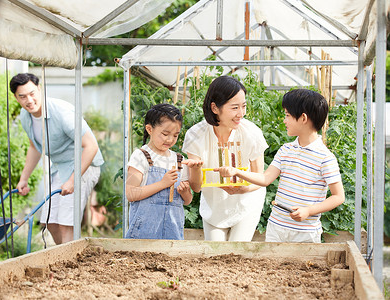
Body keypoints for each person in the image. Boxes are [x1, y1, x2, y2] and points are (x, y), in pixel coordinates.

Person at [215, 89, 345, 243]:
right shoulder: (286, 150)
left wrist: (309, 211)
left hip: (305, 233)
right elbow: (265, 178)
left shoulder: (325, 158)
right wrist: (236, 172)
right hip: (276, 228)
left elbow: (338, 196)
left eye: (287, 115)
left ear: (303, 118)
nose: (284, 120)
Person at [10, 73, 104, 245]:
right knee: (49, 221)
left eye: (32, 93)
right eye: (22, 96)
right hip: (60, 167)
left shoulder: (61, 112)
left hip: (84, 164)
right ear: (16, 98)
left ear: (39, 89)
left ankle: (70, 263)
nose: (29, 100)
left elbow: (91, 146)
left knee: (66, 222)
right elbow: (34, 147)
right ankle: (66, 258)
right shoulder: (26, 117)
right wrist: (24, 178)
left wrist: (72, 180)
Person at [182, 76, 268, 242]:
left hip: (247, 202)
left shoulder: (251, 132)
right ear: (215, 108)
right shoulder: (195, 135)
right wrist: (196, 169)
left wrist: (243, 189)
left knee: (236, 251)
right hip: (214, 207)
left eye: (243, 106)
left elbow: (260, 177)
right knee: (215, 253)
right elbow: (197, 187)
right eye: (235, 107)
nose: (241, 114)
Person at [125, 103, 193, 240]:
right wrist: (163, 184)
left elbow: (188, 200)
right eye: (165, 134)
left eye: (175, 135)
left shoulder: (179, 160)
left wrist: (184, 192)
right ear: (149, 129)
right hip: (143, 236)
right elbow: (130, 193)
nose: (170, 140)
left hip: (172, 235)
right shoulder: (141, 156)